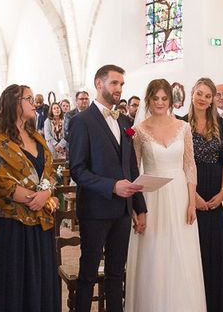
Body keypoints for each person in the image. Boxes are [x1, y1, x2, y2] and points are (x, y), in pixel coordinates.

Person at [69, 65, 146, 312]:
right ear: (98, 84)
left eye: (121, 84)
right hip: (95, 209)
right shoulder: (82, 121)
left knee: (116, 273)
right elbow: (77, 170)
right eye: (114, 83)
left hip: (123, 211)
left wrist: (140, 208)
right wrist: (112, 186)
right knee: (88, 274)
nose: (119, 89)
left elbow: (131, 168)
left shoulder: (125, 121)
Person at [0, 84, 60, 311]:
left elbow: (51, 171)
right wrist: (37, 197)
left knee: (39, 279)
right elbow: (2, 182)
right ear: (14, 104)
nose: (34, 103)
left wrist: (45, 193)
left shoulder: (36, 136)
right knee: (13, 284)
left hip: (39, 222)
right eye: (28, 98)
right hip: (11, 227)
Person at [125, 78, 205, 312]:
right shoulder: (139, 131)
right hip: (152, 197)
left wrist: (192, 201)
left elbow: (190, 166)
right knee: (155, 253)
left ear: (170, 100)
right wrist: (135, 207)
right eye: (155, 98)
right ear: (148, 100)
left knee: (181, 254)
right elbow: (133, 169)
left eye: (164, 98)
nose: (160, 102)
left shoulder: (184, 127)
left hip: (180, 194)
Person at [183, 78, 223, 312]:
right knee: (195, 253)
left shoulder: (222, 125)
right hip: (190, 193)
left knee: (218, 254)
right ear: (192, 94)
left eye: (207, 95)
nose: (203, 99)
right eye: (199, 93)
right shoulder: (181, 124)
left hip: (217, 193)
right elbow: (179, 165)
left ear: (213, 99)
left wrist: (222, 192)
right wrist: (193, 197)